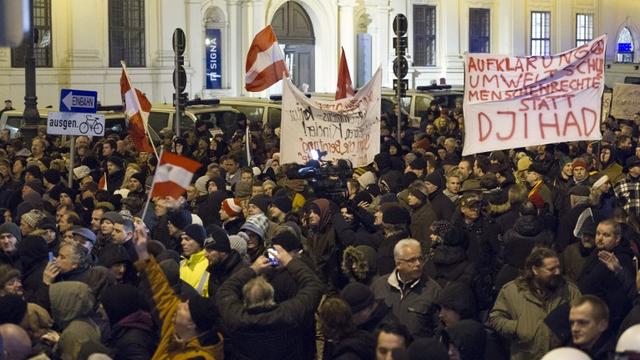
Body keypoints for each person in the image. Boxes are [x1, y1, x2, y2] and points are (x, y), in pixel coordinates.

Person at [215, 244, 324, 359]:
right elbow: (314, 286)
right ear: (271, 295)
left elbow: (225, 291)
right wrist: (289, 261)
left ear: (245, 298)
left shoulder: (236, 318)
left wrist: (253, 269)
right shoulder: (288, 314)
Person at [132, 223, 224, 359]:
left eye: (185, 309)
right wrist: (143, 253)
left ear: (192, 323)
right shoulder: (177, 325)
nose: (179, 305)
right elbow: (160, 289)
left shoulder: (200, 357)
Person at [488, 247, 581, 360]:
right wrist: (516, 327)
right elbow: (495, 318)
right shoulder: (512, 291)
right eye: (551, 269)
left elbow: (583, 318)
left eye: (558, 267)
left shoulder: (569, 291)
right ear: (535, 270)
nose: (557, 272)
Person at [372, 238, 442, 337]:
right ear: (398, 264)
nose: (418, 264)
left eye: (420, 259)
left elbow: (439, 331)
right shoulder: (379, 286)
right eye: (412, 260)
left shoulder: (433, 290)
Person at [578, 219, 636, 329]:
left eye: (606, 235)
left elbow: (620, 299)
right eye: (598, 233)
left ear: (617, 239)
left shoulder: (621, 259)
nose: (599, 238)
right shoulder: (597, 252)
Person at [203, 224, 247, 298]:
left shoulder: (241, 271)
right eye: (206, 250)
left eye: (210, 251)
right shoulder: (214, 267)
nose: (205, 254)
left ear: (223, 251)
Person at [569, 295, 615, 360]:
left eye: (582, 323)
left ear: (602, 325)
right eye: (572, 323)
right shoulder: (568, 351)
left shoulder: (616, 355)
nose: (574, 329)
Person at [179, 224, 210, 296]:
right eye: (182, 239)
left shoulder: (209, 265)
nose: (182, 243)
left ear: (199, 242)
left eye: (187, 239)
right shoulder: (181, 263)